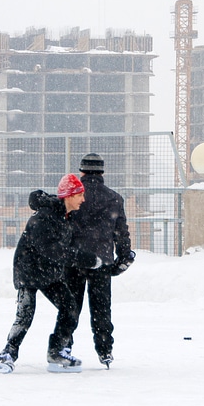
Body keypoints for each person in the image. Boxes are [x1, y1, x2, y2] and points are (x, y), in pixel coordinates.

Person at [0, 173, 99, 374]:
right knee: (25, 314)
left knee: (70, 307)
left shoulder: (68, 216)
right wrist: (85, 259)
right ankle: (7, 354)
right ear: (68, 196)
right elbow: (52, 250)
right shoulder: (45, 216)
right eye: (79, 195)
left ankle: (57, 351)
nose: (83, 200)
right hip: (28, 270)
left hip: (49, 272)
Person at [67, 153, 135, 368]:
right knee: (101, 309)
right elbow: (121, 233)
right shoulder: (114, 198)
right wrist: (122, 259)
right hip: (102, 260)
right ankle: (105, 351)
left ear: (82, 171)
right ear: (102, 172)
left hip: (75, 260)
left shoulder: (74, 196)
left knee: (70, 307)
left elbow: (63, 228)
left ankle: (64, 346)